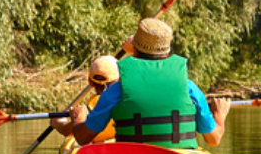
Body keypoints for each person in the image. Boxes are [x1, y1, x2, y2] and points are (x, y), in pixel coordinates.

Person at [67, 18, 230, 147]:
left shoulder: (117, 90)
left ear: (135, 50)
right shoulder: (189, 88)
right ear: (168, 52)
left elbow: (82, 137)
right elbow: (214, 139)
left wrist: (79, 119)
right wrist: (219, 115)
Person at [50, 55, 120, 142]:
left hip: (98, 148)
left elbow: (68, 130)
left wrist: (59, 124)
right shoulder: (126, 97)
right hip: (120, 145)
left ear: (90, 82)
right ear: (119, 79)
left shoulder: (95, 103)